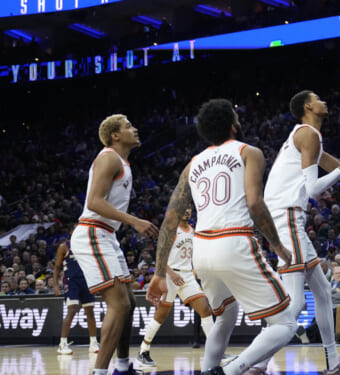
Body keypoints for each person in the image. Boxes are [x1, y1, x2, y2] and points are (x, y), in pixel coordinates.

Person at [146, 99, 295, 375]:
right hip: (234, 240)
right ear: (233, 124)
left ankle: (208, 370)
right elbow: (255, 205)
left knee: (225, 315)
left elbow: (169, 220)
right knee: (285, 324)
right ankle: (230, 371)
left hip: (201, 250)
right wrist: (277, 245)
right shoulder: (250, 152)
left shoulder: (193, 164)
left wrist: (158, 273)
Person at [260, 89, 340, 374]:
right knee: (295, 303)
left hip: (286, 219)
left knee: (322, 292)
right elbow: (313, 189)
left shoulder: (308, 138)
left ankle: (335, 364)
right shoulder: (308, 133)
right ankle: (252, 363)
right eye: (319, 98)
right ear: (308, 107)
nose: (325, 101)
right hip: (286, 217)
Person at [70, 114, 159, 375]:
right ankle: (99, 372)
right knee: (118, 303)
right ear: (115, 136)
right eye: (129, 126)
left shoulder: (123, 162)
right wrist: (134, 221)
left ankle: (122, 367)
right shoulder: (108, 157)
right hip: (92, 232)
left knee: (128, 302)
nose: (136, 128)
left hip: (106, 234)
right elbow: (94, 202)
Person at [137, 208, 217, 367]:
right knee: (160, 316)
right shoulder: (171, 229)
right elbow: (159, 255)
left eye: (189, 209)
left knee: (205, 309)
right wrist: (171, 274)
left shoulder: (192, 231)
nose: (186, 211)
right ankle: (143, 350)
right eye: (184, 208)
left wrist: (194, 269)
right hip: (169, 276)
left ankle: (215, 351)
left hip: (187, 276)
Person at [52, 241, 99, 355]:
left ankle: (93, 343)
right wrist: (55, 285)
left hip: (86, 280)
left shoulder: (88, 245)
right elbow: (57, 267)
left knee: (90, 312)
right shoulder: (64, 246)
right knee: (72, 310)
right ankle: (62, 344)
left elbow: (94, 265)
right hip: (71, 281)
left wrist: (96, 283)